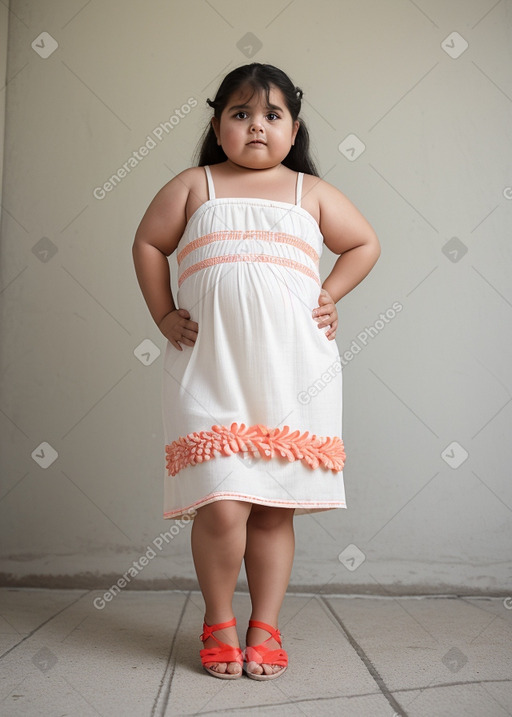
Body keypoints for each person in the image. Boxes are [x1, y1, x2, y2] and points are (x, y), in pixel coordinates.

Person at [132, 63, 380, 681]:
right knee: (221, 503)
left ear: (293, 131)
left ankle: (264, 624)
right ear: (218, 126)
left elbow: (364, 244)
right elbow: (147, 242)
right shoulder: (197, 185)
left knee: (273, 507)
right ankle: (218, 618)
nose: (256, 127)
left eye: (272, 116)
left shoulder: (309, 192)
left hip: (292, 371)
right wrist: (163, 313)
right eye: (240, 114)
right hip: (210, 368)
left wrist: (331, 293)